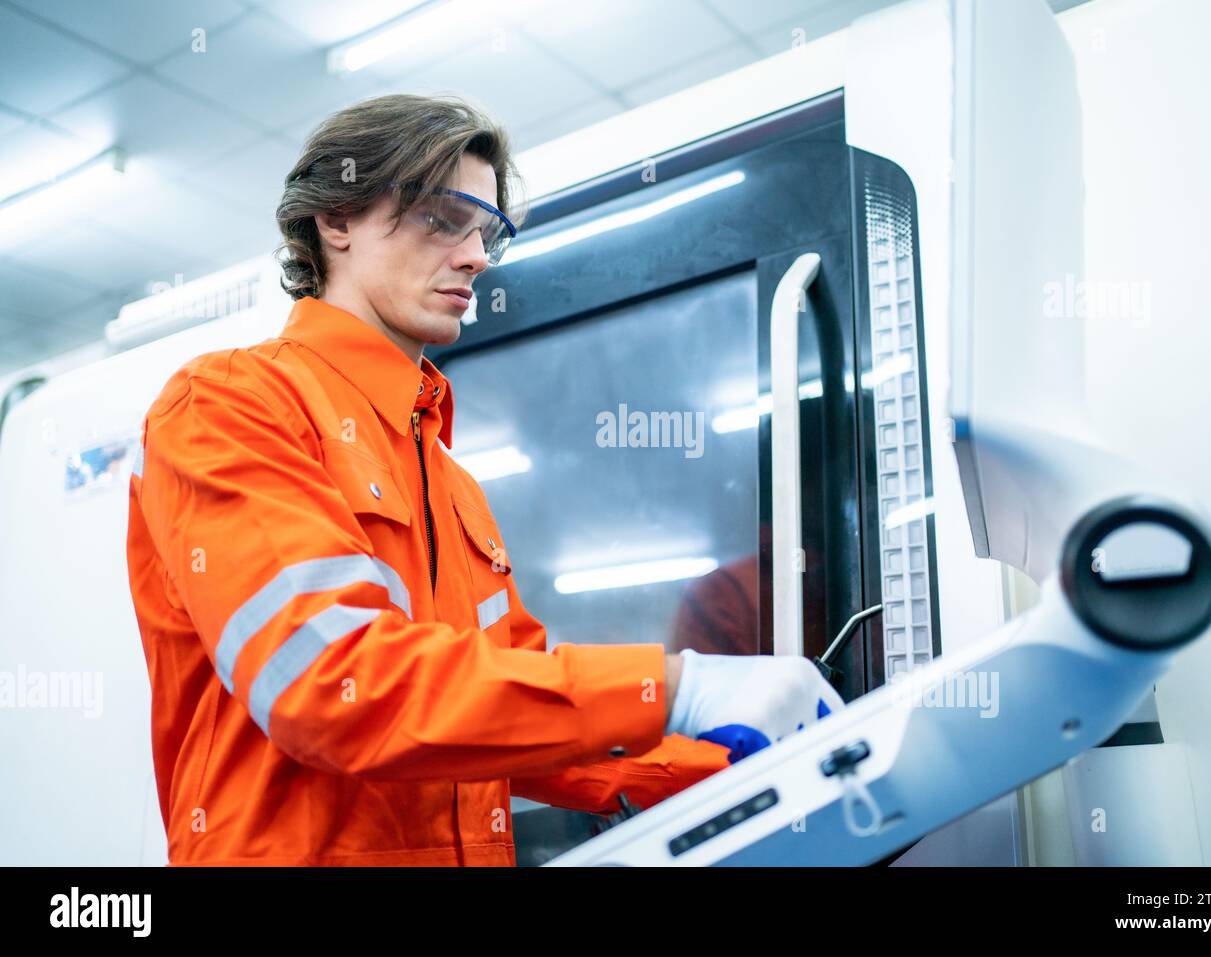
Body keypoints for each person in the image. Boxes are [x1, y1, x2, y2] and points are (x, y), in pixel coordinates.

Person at [126, 93, 842, 866]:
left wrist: (745, 767)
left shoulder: (452, 483)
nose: (475, 255)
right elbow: (335, 685)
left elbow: (522, 725)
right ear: (336, 219)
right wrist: (675, 686)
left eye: (486, 231)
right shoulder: (228, 404)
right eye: (443, 218)